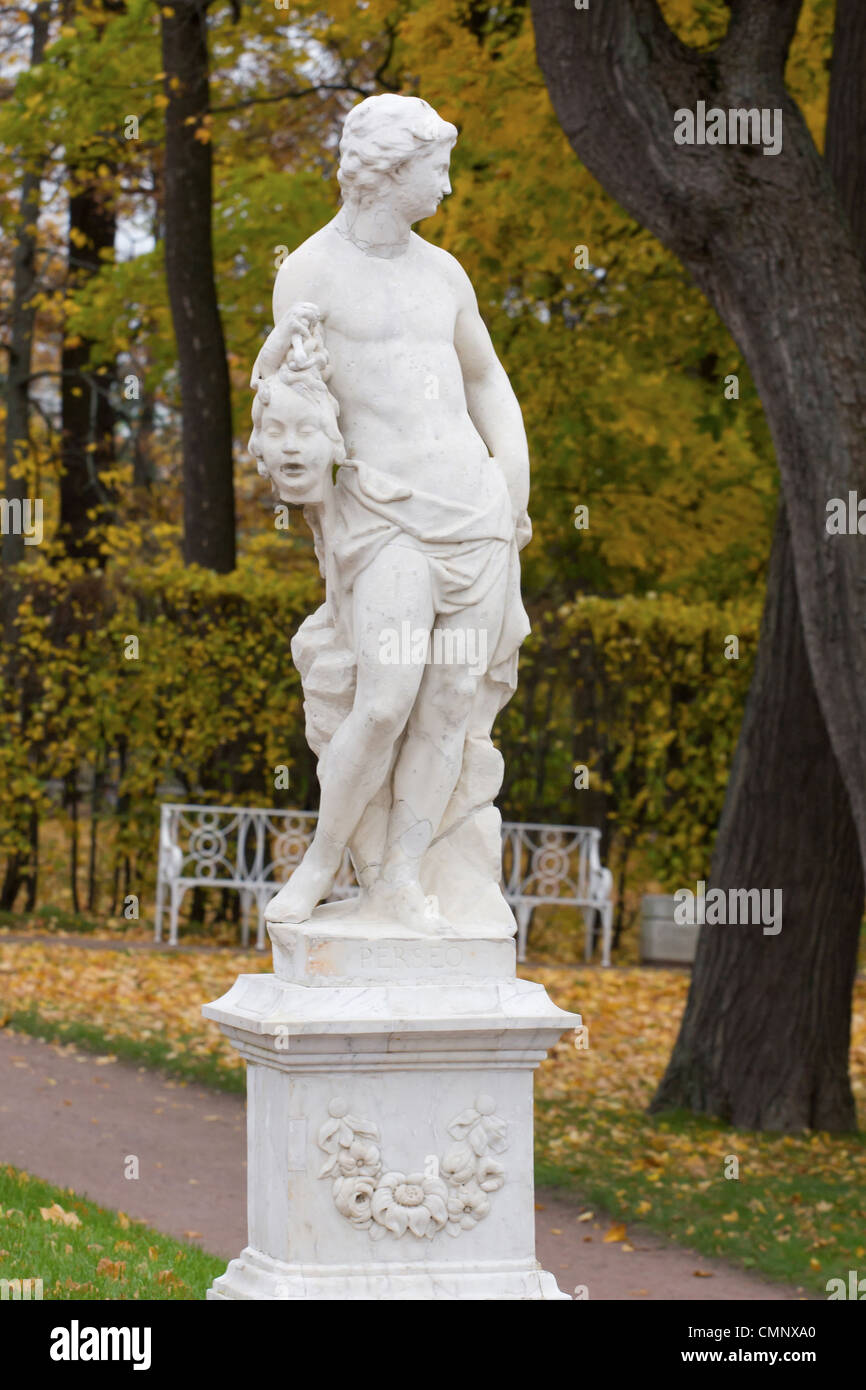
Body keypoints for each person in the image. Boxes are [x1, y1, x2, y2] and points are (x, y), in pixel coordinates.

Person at [257, 94, 531, 931]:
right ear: (387, 170)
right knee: (382, 702)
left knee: (450, 706)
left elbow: (487, 382)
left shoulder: (443, 271)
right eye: (434, 167)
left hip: (475, 515)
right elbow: (287, 403)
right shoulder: (309, 271)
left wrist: (513, 488)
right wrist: (280, 364)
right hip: (387, 518)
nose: (446, 185)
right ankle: (322, 862)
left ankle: (404, 877)